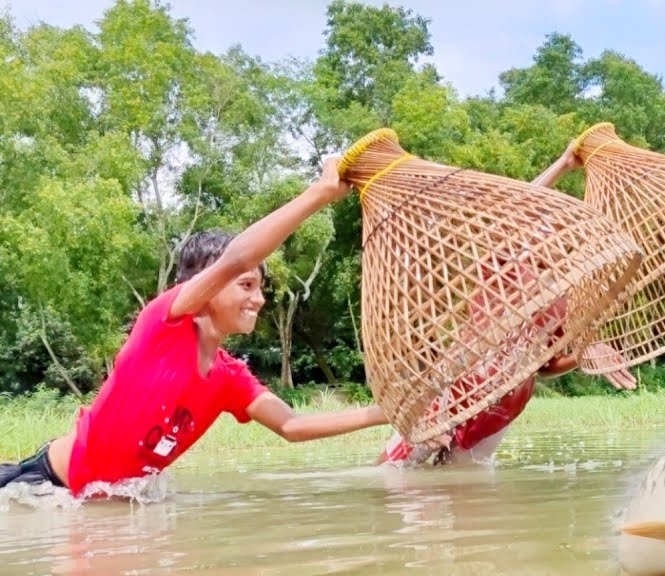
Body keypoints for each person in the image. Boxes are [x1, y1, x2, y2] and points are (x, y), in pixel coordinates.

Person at [0, 158, 391, 498]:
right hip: (44, 485)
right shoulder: (163, 326)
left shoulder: (229, 378)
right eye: (247, 285)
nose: (260, 299)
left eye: (261, 287)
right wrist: (318, 195)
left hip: (106, 500)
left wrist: (383, 412)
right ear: (208, 286)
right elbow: (236, 259)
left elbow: (292, 424)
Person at [376, 144, 636, 467]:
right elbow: (516, 207)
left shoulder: (566, 299)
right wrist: (563, 163)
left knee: (467, 486)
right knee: (394, 472)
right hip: (463, 381)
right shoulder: (504, 265)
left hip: (507, 404)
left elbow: (546, 366)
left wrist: (580, 355)